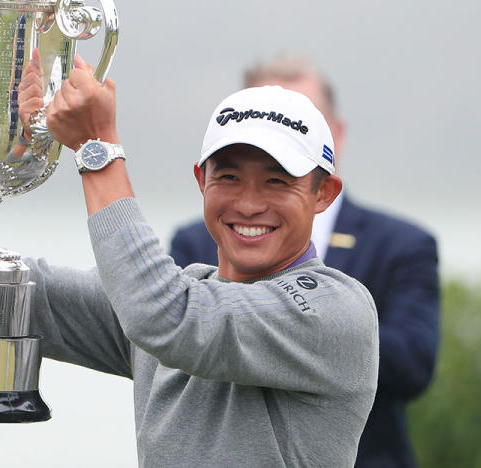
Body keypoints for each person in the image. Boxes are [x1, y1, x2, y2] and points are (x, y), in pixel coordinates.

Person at [0, 39, 379, 466]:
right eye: (230, 176)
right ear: (200, 182)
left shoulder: (336, 312)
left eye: (279, 182)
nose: (249, 202)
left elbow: (167, 316)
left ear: (324, 194)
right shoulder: (179, 294)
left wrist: (98, 150)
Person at [170, 55, 440, 468]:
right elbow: (169, 334)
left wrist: (319, 332)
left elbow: (415, 363)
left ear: (338, 134)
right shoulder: (195, 240)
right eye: (260, 122)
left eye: (299, 120)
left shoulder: (401, 243)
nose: (277, 135)